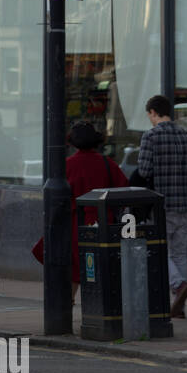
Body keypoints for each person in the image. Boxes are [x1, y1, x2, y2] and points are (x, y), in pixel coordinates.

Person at [133, 95, 187, 318]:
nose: (150, 120)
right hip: (186, 205)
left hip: (161, 204)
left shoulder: (151, 137)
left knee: (157, 249)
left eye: (149, 116)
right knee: (179, 254)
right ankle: (179, 308)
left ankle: (178, 285)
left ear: (153, 112)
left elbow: (144, 171)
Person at [65, 121, 129, 303]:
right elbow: (123, 189)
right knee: (103, 265)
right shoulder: (108, 164)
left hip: (77, 223)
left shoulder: (67, 165)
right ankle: (105, 304)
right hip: (104, 222)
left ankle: (65, 308)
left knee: (75, 268)